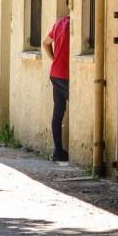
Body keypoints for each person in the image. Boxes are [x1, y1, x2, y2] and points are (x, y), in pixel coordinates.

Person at [41, 14, 71, 164]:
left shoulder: (59, 24)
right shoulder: (74, 25)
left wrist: (54, 59)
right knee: (76, 111)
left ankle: (58, 150)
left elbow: (45, 43)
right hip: (67, 74)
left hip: (56, 73)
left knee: (58, 113)